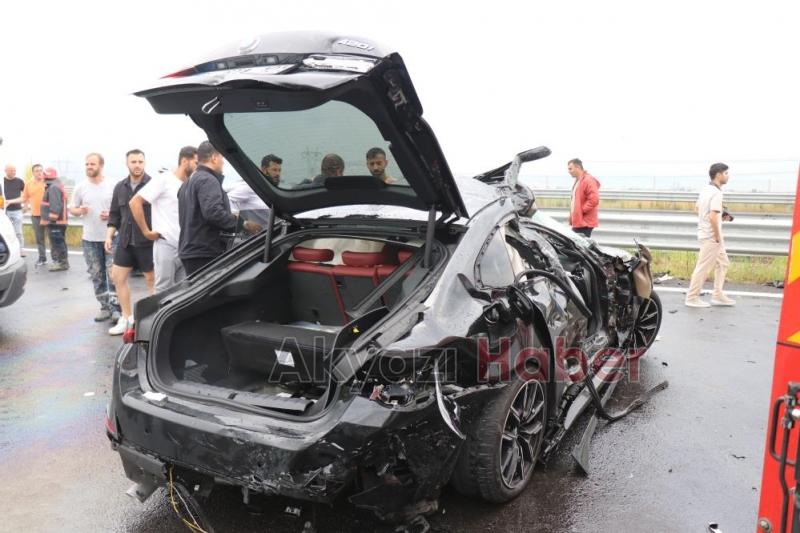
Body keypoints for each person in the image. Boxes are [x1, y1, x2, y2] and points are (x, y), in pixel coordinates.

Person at [179, 141, 260, 275]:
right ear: (214, 158)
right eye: (222, 157)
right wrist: (243, 224)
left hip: (190, 251)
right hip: (205, 253)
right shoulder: (208, 179)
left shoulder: (186, 184)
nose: (223, 162)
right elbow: (213, 213)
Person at [130, 146, 197, 293]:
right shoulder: (164, 179)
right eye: (196, 163)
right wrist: (146, 232)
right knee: (163, 292)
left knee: (184, 292)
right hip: (166, 245)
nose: (198, 168)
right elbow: (135, 202)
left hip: (185, 247)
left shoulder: (190, 184)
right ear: (185, 161)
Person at [106, 149, 155, 335]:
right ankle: (126, 318)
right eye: (133, 162)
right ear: (127, 163)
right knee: (117, 277)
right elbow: (114, 215)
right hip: (125, 241)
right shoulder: (120, 187)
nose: (137, 165)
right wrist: (109, 236)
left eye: (140, 161)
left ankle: (154, 321)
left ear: (144, 163)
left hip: (147, 242)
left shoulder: (153, 184)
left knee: (152, 280)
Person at [70, 153, 121, 322]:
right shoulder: (80, 187)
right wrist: (79, 210)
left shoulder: (112, 185)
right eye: (87, 164)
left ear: (101, 165)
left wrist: (112, 214)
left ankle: (116, 309)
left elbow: (121, 209)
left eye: (92, 164)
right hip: (90, 239)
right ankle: (105, 307)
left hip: (111, 237)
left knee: (113, 274)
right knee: (97, 275)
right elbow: (72, 209)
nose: (89, 167)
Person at [684, 163, 736, 308]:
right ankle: (692, 297)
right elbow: (712, 216)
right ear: (718, 175)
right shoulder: (717, 193)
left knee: (723, 263)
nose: (728, 176)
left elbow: (697, 209)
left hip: (708, 233)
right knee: (703, 267)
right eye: (726, 173)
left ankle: (718, 295)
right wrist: (717, 235)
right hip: (712, 236)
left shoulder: (706, 190)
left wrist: (720, 217)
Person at [40, 167, 69, 270]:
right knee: (59, 242)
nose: (42, 176)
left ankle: (62, 263)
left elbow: (55, 205)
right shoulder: (55, 185)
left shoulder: (53, 187)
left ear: (47, 176)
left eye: (44, 174)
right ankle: (62, 262)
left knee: (57, 243)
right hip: (57, 221)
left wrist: (52, 220)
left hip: (55, 222)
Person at [567, 158, 601, 237]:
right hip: (579, 221)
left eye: (570, 169)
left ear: (578, 167)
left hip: (585, 223)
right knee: (577, 242)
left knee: (579, 243)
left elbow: (594, 200)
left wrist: (581, 210)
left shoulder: (588, 180)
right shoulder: (579, 180)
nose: (569, 171)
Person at [22, 164, 48, 265]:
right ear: (33, 173)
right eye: (37, 171)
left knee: (53, 238)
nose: (39, 172)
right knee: (39, 238)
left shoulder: (47, 183)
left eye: (41, 170)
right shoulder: (28, 184)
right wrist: (25, 206)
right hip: (36, 215)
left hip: (48, 215)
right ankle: (42, 258)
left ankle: (58, 260)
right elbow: (25, 197)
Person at [3, 164, 26, 255]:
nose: (13, 172)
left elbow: (26, 195)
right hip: (4, 211)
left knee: (18, 232)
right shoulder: (1, 181)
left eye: (14, 170)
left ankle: (21, 250)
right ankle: (7, 250)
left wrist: (26, 206)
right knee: (5, 232)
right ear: (5, 171)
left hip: (17, 210)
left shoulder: (19, 181)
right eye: (11, 170)